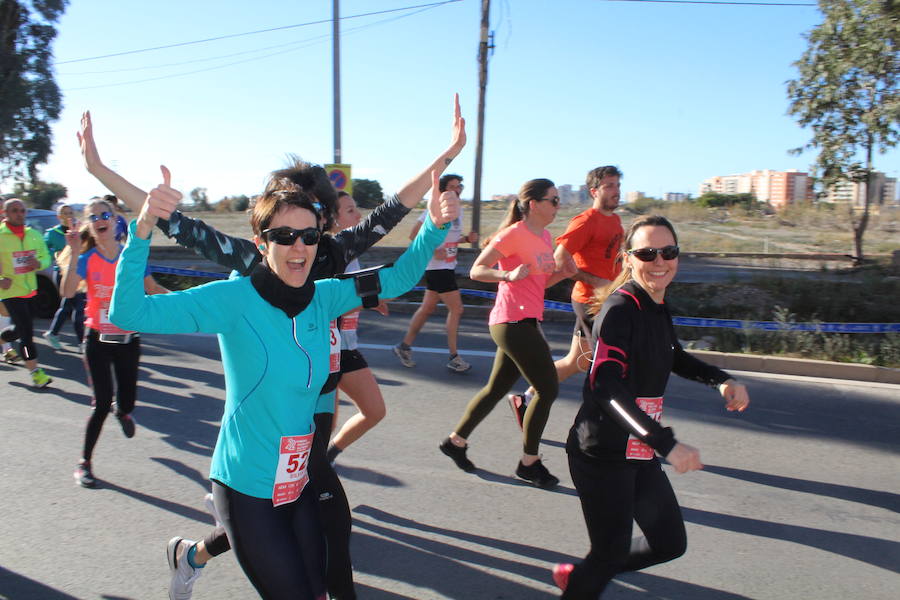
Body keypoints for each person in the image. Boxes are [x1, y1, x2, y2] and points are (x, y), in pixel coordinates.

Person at [80, 97, 466, 600]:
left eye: (308, 231)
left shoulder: (328, 274)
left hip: (302, 453)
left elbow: (398, 243)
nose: (299, 245)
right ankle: (204, 546)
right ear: (262, 239)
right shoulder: (238, 285)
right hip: (248, 475)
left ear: (321, 223)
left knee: (326, 570)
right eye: (284, 234)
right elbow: (165, 236)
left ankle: (197, 552)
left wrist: (439, 206)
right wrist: (130, 211)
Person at [553, 215, 750, 597]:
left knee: (669, 542)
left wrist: (721, 380)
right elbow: (605, 387)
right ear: (629, 258)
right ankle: (587, 578)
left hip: (637, 448)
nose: (659, 261)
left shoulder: (656, 304)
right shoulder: (620, 309)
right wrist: (666, 442)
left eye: (668, 251)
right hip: (602, 453)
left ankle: (584, 575)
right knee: (609, 552)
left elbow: (673, 355)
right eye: (647, 253)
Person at [439, 179, 574, 489]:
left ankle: (455, 442)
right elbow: (477, 270)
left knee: (496, 388)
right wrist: (506, 274)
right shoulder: (513, 234)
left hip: (527, 320)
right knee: (547, 388)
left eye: (557, 201)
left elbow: (539, 283)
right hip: (511, 322)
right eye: (553, 200)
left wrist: (563, 274)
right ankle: (529, 463)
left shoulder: (545, 236)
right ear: (534, 204)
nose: (558, 206)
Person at [61, 197, 169, 488]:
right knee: (99, 403)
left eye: (104, 214)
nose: (99, 219)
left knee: (128, 401)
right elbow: (68, 291)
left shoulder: (130, 257)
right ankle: (84, 463)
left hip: (128, 339)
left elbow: (152, 288)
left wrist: (186, 305)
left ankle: (121, 410)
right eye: (93, 216)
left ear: (114, 219)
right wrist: (72, 253)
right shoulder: (86, 259)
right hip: (97, 339)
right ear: (90, 225)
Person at [508, 166, 624, 428]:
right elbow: (560, 259)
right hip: (591, 302)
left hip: (606, 298)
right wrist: (596, 282)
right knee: (609, 364)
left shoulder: (615, 221)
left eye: (617, 185)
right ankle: (603, 424)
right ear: (594, 191)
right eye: (609, 186)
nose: (616, 191)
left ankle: (525, 399)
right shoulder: (586, 221)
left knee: (578, 361)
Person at [326, 191, 389, 465]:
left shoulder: (350, 252)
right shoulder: (326, 253)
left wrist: (369, 300)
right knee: (321, 425)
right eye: (350, 210)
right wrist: (369, 302)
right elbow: (326, 306)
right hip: (324, 349)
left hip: (346, 346)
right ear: (333, 219)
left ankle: (327, 458)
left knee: (374, 411)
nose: (358, 215)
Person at [393, 173, 478, 372]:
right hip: (437, 268)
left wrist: (466, 239)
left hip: (447, 265)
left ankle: (404, 346)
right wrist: (432, 250)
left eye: (459, 186)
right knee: (457, 309)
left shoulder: (458, 211)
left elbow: (449, 239)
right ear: (442, 190)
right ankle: (454, 356)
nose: (457, 189)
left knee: (427, 308)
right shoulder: (436, 208)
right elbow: (414, 235)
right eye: (452, 186)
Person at [0, 198, 53, 387]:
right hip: (10, 292)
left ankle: (1, 340)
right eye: (14, 210)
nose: (19, 214)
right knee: (27, 334)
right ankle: (35, 372)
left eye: (22, 211)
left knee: (18, 329)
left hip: (30, 290)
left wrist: (39, 263)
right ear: (6, 213)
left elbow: (46, 257)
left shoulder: (34, 235)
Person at [43, 203, 86, 352]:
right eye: (65, 213)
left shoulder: (79, 231)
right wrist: (53, 256)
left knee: (68, 306)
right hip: (62, 273)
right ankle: (82, 342)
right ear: (58, 216)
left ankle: (53, 333)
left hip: (77, 272)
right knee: (78, 307)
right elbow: (43, 249)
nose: (68, 216)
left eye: (70, 213)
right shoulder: (53, 233)